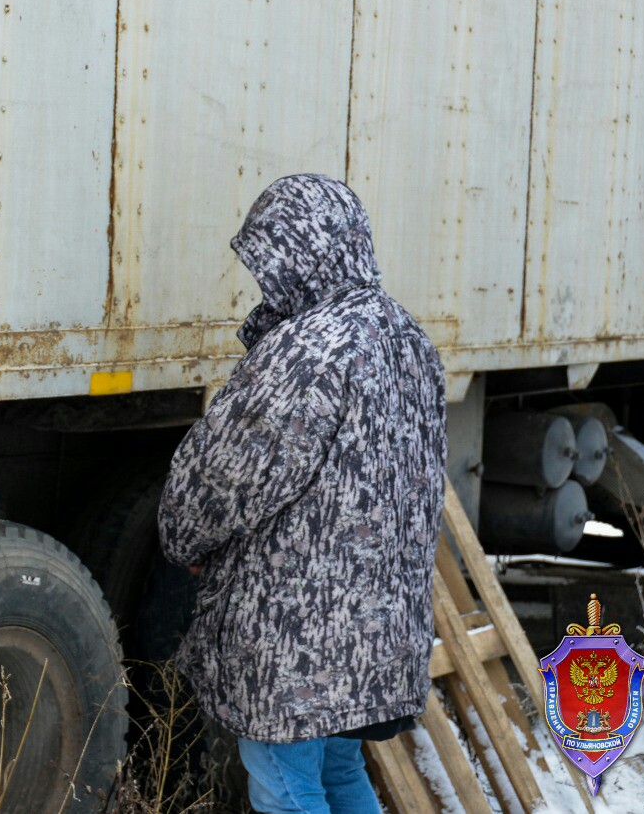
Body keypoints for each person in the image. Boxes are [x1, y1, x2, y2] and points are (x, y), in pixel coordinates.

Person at [158, 174, 447, 813]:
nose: (265, 280)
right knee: (341, 773)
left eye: (273, 260)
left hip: (298, 635)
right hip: (373, 628)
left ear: (303, 253)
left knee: (285, 785)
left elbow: (227, 474)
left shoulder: (310, 349)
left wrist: (184, 538)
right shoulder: (407, 338)